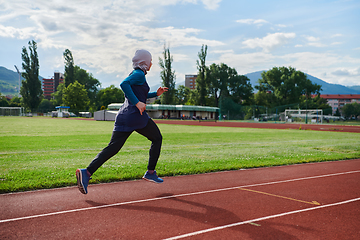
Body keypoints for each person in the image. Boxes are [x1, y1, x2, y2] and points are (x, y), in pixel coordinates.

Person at [76, 49, 168, 194]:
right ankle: (150, 172)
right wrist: (138, 103)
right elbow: (124, 85)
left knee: (113, 148)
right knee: (157, 138)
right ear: (145, 61)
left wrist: (156, 94)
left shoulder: (136, 74)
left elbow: (139, 93)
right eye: (150, 60)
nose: (151, 63)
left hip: (124, 115)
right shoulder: (138, 74)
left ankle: (86, 173)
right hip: (135, 116)